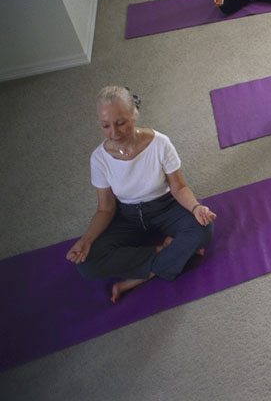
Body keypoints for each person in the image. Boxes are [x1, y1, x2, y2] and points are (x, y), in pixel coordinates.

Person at [66, 86, 216, 303]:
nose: (114, 133)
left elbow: (179, 188)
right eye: (105, 126)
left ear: (134, 116)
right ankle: (163, 251)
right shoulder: (98, 159)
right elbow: (106, 208)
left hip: (165, 206)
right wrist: (86, 241)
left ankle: (139, 277)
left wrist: (196, 208)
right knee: (87, 265)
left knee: (203, 229)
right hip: (127, 215)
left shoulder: (160, 143)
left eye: (121, 123)